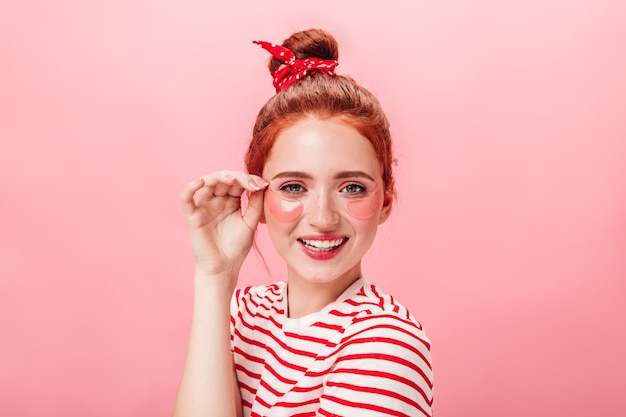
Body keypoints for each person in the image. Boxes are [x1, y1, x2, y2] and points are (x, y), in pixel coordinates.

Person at [173, 28, 433, 417]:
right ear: (257, 195)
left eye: (352, 188)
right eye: (294, 186)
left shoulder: (386, 345)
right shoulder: (242, 313)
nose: (324, 218)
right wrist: (215, 278)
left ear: (385, 201)